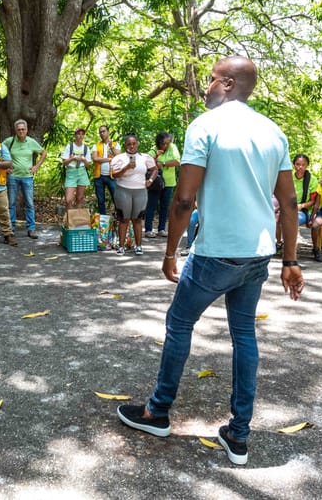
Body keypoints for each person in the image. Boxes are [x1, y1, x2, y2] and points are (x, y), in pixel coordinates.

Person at [116, 56, 304, 466]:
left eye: (211, 80)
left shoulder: (205, 125)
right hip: (257, 255)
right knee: (244, 336)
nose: (205, 87)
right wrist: (290, 259)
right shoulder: (273, 132)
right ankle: (238, 435)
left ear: (229, 82)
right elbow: (288, 201)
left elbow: (183, 198)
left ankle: (157, 411)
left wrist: (169, 252)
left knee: (180, 323)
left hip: (215, 252)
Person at [110, 134, 158, 256]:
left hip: (140, 191)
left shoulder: (145, 157)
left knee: (137, 219)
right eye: (128, 144)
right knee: (124, 219)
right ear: (125, 145)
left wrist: (150, 181)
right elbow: (114, 175)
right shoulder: (119, 158)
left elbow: (155, 169)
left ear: (137, 144)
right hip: (123, 190)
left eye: (134, 143)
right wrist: (126, 167)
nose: (131, 146)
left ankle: (139, 246)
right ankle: (121, 247)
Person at [4, 119, 47, 239]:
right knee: (11, 203)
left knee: (29, 204)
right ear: (15, 131)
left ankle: (31, 229)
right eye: (19, 129)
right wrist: (4, 167)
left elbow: (43, 153)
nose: (21, 131)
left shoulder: (31, 142)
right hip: (13, 176)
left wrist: (36, 167)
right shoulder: (10, 141)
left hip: (27, 177)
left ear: (27, 130)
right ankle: (11, 228)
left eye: (23, 129)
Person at [276, 153, 317, 251]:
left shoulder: (312, 180)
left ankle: (292, 245)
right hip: (287, 208)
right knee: (277, 218)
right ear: (294, 165)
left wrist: (301, 205)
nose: (300, 167)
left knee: (293, 219)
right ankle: (278, 243)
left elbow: (313, 201)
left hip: (304, 211)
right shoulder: (288, 178)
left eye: (303, 165)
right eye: (298, 164)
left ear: (307, 165)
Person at [145, 132, 180, 238]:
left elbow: (177, 162)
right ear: (159, 143)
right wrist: (156, 156)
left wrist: (163, 164)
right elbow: (147, 163)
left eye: (168, 142)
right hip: (156, 183)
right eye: (165, 143)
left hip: (169, 182)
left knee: (165, 206)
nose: (167, 145)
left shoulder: (173, 147)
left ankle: (161, 229)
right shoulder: (153, 150)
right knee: (151, 205)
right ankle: (148, 229)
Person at [91, 125, 120, 215]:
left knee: (117, 199)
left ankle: (118, 220)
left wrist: (111, 147)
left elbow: (118, 156)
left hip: (112, 176)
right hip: (99, 177)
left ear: (108, 132)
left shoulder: (115, 144)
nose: (102, 133)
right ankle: (103, 221)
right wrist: (109, 159)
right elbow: (95, 159)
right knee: (100, 200)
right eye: (100, 132)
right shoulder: (96, 145)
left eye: (103, 131)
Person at [61, 127, 92, 209]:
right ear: (75, 135)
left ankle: (77, 218)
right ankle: (69, 218)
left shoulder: (86, 148)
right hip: (71, 172)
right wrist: (72, 158)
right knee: (68, 200)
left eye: (82, 134)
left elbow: (88, 166)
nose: (80, 136)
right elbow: (64, 163)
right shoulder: (70, 146)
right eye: (78, 134)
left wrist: (84, 160)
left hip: (82, 172)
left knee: (79, 198)